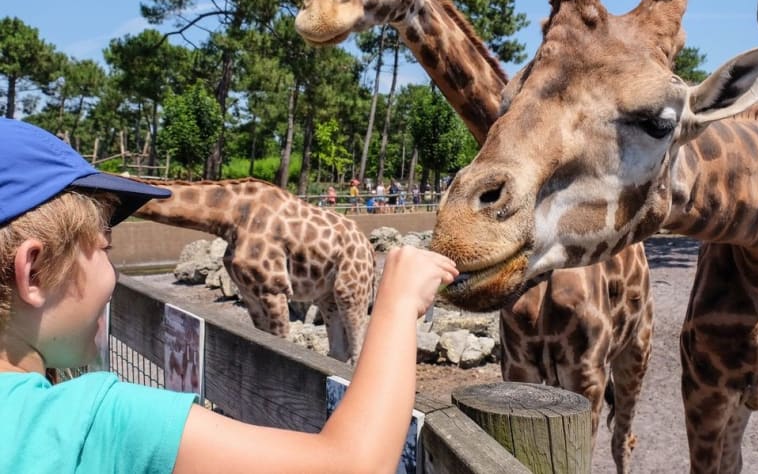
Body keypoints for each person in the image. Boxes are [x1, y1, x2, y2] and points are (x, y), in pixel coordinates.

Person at [0, 119, 458, 473]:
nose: (112, 271)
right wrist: (397, 306)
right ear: (34, 272)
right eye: (104, 248)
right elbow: (355, 464)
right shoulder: (98, 421)